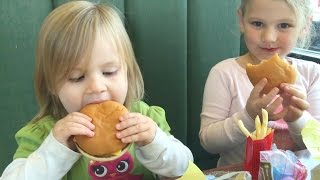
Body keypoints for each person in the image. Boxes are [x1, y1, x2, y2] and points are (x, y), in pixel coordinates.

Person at [0, 1, 193, 179]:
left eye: (109, 72)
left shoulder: (145, 119)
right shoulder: (43, 135)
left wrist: (153, 142)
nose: (96, 87)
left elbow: (183, 167)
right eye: (77, 77)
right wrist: (55, 149)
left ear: (128, 72)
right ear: (51, 84)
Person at [199, 0, 320, 167]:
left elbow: (317, 147)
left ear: (304, 25)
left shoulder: (312, 74)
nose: (269, 38)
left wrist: (298, 118)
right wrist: (248, 116)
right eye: (257, 23)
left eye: (284, 25)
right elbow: (209, 143)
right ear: (242, 21)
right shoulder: (224, 73)